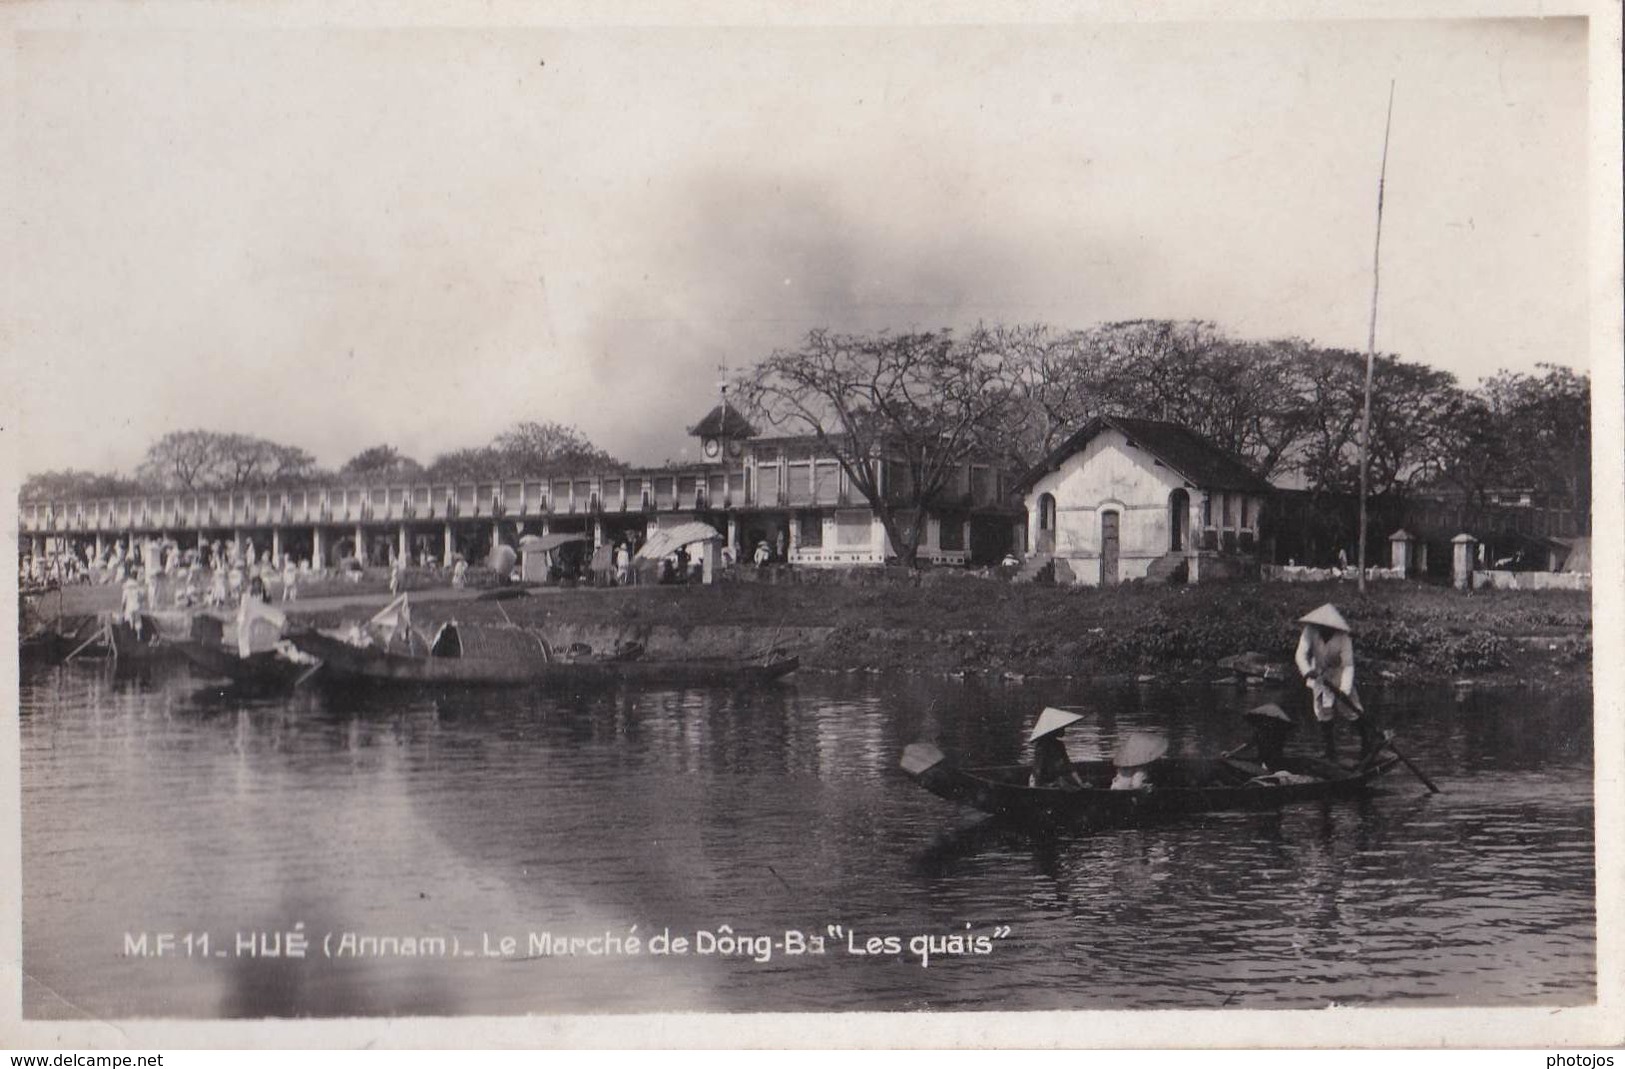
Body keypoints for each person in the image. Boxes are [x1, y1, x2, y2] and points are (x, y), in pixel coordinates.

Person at [1293, 603, 1379, 761]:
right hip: (1318, 674)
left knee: (1351, 710)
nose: (1324, 630)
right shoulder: (1310, 631)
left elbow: (1348, 665)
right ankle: (1330, 752)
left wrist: (1344, 690)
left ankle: (1367, 742)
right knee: (1322, 712)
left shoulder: (1343, 637)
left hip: (1339, 674)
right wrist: (1307, 671)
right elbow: (1300, 654)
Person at [1028, 707, 1086, 790]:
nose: (1064, 729)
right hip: (1041, 783)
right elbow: (1037, 772)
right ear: (1053, 730)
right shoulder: (1042, 747)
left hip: (1055, 779)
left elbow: (1069, 766)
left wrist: (1080, 783)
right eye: (1061, 728)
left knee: (1069, 784)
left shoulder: (1060, 745)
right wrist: (1048, 786)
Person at [1240, 703, 1296, 771]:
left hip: (1273, 763)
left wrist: (1265, 764)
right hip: (1262, 761)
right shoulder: (1260, 732)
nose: (1265, 723)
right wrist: (1231, 753)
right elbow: (1249, 744)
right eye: (1262, 720)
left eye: (1268, 721)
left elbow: (1274, 752)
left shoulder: (1278, 734)